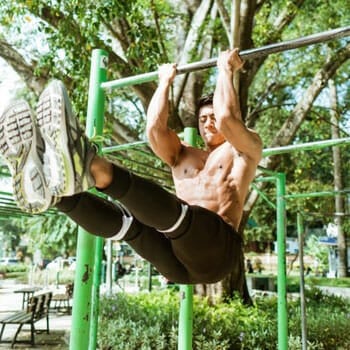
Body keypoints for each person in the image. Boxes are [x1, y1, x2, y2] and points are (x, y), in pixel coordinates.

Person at [0, 49, 262, 287]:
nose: (208, 123)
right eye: (203, 119)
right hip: (177, 261)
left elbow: (228, 117)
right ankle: (55, 194)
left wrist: (225, 70)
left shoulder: (242, 151)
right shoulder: (183, 155)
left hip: (216, 252)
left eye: (212, 116)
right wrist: (164, 83)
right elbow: (154, 130)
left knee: (177, 215)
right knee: (129, 227)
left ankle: (91, 164)